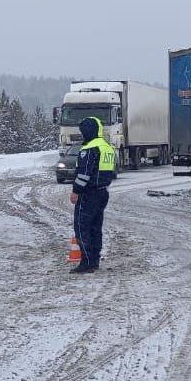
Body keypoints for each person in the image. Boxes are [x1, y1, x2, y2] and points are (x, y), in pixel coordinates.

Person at [70, 116, 116, 273]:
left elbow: (84, 174)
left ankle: (86, 262)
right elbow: (112, 172)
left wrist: (76, 191)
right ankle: (94, 260)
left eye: (83, 132)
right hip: (103, 192)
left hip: (88, 194)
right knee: (96, 228)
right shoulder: (107, 147)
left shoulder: (89, 148)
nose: (82, 134)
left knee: (82, 227)